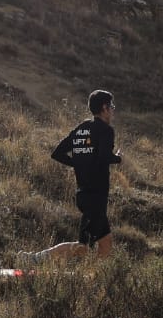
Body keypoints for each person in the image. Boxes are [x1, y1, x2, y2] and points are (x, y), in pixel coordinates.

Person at [35, 89, 123, 260]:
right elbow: (105, 156)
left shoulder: (81, 128)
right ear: (104, 108)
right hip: (96, 195)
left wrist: (79, 163)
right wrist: (118, 159)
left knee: (106, 241)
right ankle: (36, 258)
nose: (113, 110)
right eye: (111, 106)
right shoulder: (106, 130)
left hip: (84, 194)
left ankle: (96, 278)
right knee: (82, 246)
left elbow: (57, 153)